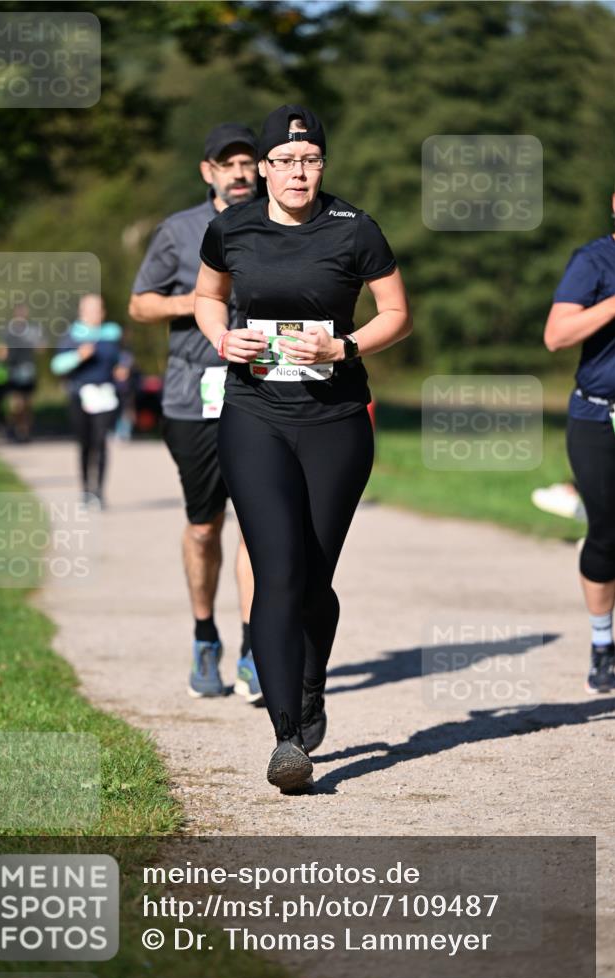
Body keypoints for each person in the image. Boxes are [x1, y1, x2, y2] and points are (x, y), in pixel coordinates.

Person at [194, 105, 413, 792]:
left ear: (322, 164)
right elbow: (208, 297)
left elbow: (397, 315)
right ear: (260, 170)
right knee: (277, 567)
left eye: (310, 159)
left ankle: (312, 687)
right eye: (285, 161)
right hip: (253, 412)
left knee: (314, 577)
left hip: (335, 419)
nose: (298, 172)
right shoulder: (230, 227)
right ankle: (287, 737)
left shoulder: (355, 229)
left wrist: (342, 346)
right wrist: (221, 339)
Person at [129, 123, 264, 704]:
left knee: (262, 526)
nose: (238, 173)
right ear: (207, 171)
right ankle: (205, 635)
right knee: (206, 525)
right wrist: (202, 300)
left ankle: (258, 648)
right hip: (193, 394)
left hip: (265, 391)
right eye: (225, 164)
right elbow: (140, 303)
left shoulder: (281, 223)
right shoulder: (179, 231)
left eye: (246, 162)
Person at [544, 188, 615, 695]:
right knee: (609, 535)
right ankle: (602, 643)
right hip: (599, 416)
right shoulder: (594, 261)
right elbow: (556, 335)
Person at [51, 294, 122, 509]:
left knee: (101, 441)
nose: (95, 314)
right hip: (80, 395)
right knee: (85, 443)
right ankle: (85, 489)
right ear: (82, 312)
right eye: (90, 310)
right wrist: (79, 356)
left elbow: (122, 357)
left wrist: (123, 367)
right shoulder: (72, 336)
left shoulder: (112, 334)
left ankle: (99, 491)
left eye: (98, 309)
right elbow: (56, 366)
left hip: (105, 395)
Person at [3, 304, 42, 443]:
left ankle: (25, 431)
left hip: (28, 369)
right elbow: (2, 350)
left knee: (27, 404)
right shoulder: (9, 331)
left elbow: (40, 348)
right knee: (15, 404)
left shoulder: (33, 330)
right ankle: (14, 428)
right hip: (13, 369)